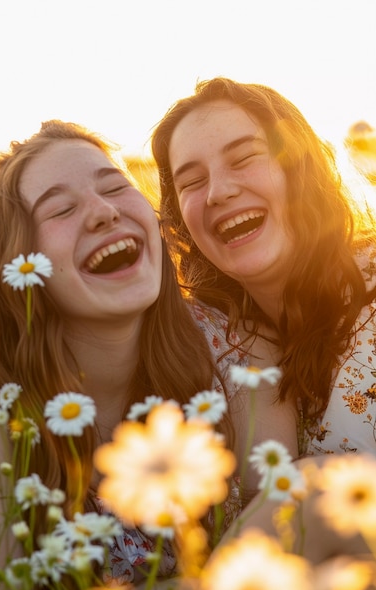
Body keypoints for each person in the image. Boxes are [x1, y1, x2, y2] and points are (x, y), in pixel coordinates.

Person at [0, 119, 298, 590]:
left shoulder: (237, 350)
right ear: (20, 262)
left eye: (115, 186)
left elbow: (289, 544)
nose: (104, 211)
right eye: (62, 209)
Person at [151, 76, 376, 459]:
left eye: (243, 159)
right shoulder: (210, 345)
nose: (218, 192)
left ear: (298, 167)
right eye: (192, 181)